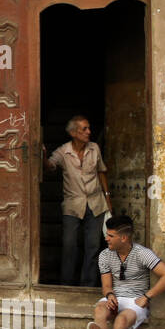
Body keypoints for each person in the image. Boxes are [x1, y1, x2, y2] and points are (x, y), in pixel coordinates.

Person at [83, 214, 165, 329]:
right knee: (100, 309)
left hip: (136, 301)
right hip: (116, 297)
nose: (106, 238)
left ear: (124, 238)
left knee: (122, 319)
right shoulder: (104, 255)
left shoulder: (143, 254)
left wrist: (147, 296)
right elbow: (106, 285)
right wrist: (110, 295)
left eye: (111, 236)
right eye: (107, 234)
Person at [44, 115, 110, 286]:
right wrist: (42, 157)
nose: (89, 132)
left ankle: (87, 285)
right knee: (69, 246)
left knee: (93, 247)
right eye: (84, 129)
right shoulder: (63, 151)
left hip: (96, 204)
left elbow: (102, 171)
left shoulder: (94, 148)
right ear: (73, 133)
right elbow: (50, 166)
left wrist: (108, 198)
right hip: (73, 206)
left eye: (88, 128)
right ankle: (66, 284)